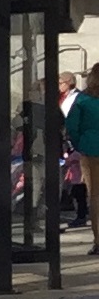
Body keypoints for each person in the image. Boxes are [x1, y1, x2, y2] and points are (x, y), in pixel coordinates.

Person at [67, 70, 99, 254]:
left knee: (95, 195)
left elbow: (72, 125)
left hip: (91, 147)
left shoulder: (82, 100)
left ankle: (98, 239)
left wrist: (80, 143)